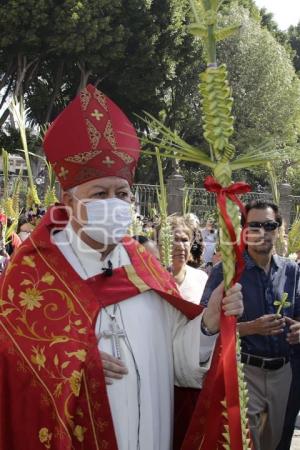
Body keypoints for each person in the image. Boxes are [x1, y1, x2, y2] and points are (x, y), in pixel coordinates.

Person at [0, 85, 243, 450]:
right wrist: (77, 365)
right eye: (100, 194)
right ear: (68, 200)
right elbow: (14, 372)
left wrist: (208, 322)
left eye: (123, 193)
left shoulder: (143, 264)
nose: (115, 204)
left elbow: (179, 364)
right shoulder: (34, 270)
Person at [201, 200, 300, 450]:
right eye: (254, 226)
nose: (262, 232)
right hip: (245, 372)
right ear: (244, 230)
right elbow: (205, 327)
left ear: (278, 229)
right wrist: (249, 328)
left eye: (269, 225)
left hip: (284, 372)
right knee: (246, 442)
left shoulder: (292, 271)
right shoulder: (227, 271)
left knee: (277, 442)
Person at [167, 215, 208, 304]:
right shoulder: (152, 278)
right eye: (174, 240)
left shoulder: (201, 278)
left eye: (184, 240)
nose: (180, 246)